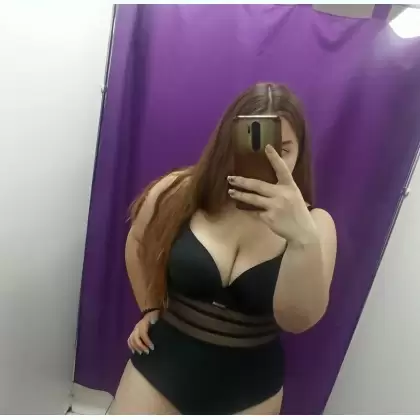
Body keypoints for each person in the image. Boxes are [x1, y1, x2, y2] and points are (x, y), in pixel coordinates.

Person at [109, 83, 337, 415]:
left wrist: (301, 239)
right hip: (160, 366)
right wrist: (150, 307)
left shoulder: (316, 226)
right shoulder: (181, 190)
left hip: (251, 389)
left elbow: (297, 321)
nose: (270, 160)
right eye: (255, 146)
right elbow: (138, 242)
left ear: (300, 152)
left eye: (284, 150)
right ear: (229, 141)